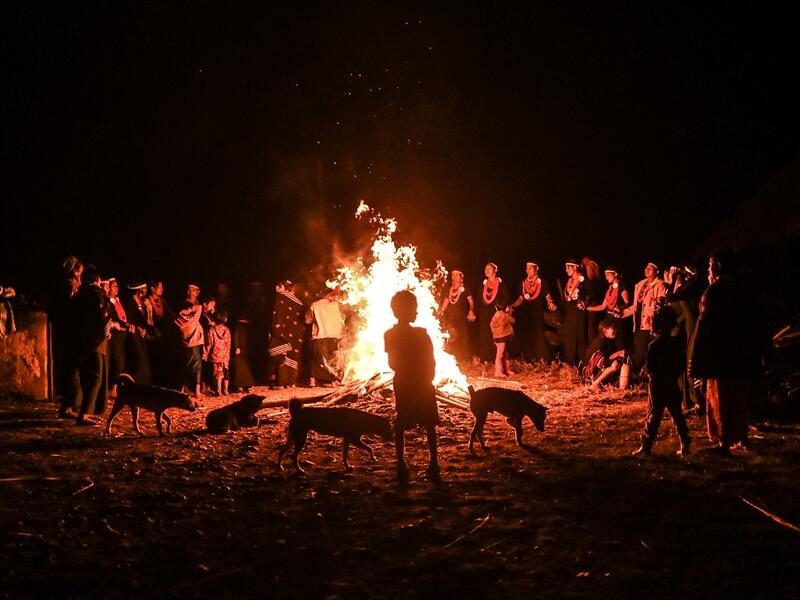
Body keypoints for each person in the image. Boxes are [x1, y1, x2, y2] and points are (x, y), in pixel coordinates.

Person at [689, 251, 763, 454]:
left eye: (710, 266)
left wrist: (697, 360)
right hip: (740, 353)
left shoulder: (714, 292)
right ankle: (741, 437)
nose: (708, 270)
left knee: (720, 397)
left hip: (720, 354)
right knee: (739, 396)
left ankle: (724, 441)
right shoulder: (742, 290)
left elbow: (704, 328)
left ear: (718, 267)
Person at [384, 290, 440, 483]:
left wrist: (406, 370)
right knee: (429, 423)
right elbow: (431, 359)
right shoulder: (421, 334)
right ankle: (433, 464)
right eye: (414, 308)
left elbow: (392, 362)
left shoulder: (389, 335)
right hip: (422, 382)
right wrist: (428, 377)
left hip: (404, 381)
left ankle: (401, 464)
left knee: (402, 422)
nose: (416, 312)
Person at [634, 306, 691, 456]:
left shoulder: (654, 345)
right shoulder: (676, 345)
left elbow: (651, 367)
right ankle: (685, 444)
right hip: (671, 383)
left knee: (654, 415)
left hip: (658, 385)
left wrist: (647, 372)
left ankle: (645, 446)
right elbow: (681, 364)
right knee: (677, 415)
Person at [71, 265, 111, 425]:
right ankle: (85, 413)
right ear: (97, 280)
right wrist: (106, 330)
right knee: (96, 376)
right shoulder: (97, 294)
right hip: (95, 341)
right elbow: (103, 316)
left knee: (86, 376)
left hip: (80, 340)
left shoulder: (78, 294)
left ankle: (85, 411)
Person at [623, 262, 668, 373]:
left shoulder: (660, 285)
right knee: (638, 351)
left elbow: (660, 305)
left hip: (649, 323)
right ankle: (636, 376)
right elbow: (636, 306)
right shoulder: (640, 284)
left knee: (646, 353)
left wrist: (652, 312)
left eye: (650, 269)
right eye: (646, 268)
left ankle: (645, 376)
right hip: (639, 324)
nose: (646, 270)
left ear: (657, 272)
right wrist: (623, 312)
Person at [511, 262, 556, 362]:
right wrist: (512, 305)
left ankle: (545, 360)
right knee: (527, 337)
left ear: (536, 269)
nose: (527, 270)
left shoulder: (542, 282)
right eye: (526, 268)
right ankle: (530, 361)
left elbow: (547, 295)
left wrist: (550, 302)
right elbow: (520, 299)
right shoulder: (523, 283)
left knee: (538, 336)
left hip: (537, 313)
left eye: (530, 268)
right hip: (525, 314)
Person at [267, 280, 306, 388]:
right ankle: (289, 382)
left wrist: (276, 330)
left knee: (277, 352)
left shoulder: (281, 298)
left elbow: (278, 315)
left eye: (279, 286)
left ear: (286, 287)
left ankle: (282, 383)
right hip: (296, 333)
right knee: (289, 355)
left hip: (282, 332)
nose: (276, 287)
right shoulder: (299, 302)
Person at [306, 288, 346, 387]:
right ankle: (331, 380)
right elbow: (344, 319)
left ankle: (315, 380)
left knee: (318, 360)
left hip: (320, 336)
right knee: (333, 360)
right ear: (330, 294)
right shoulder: (338, 305)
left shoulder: (314, 305)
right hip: (335, 336)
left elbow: (308, 320)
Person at [587, 266, 630, 354]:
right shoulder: (610, 288)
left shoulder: (622, 287)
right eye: (605, 275)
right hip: (608, 319)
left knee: (619, 344)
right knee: (605, 342)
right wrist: (587, 308)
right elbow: (603, 306)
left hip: (617, 319)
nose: (606, 277)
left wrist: (621, 308)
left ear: (615, 274)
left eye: (608, 275)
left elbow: (628, 303)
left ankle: (623, 360)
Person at [436, 270, 476, 362]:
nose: (454, 276)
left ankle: (466, 360)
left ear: (461, 277)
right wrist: (439, 312)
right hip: (451, 318)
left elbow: (471, 302)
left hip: (462, 318)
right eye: (453, 275)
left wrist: (471, 311)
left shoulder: (465, 289)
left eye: (456, 275)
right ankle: (455, 360)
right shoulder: (449, 290)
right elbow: (445, 305)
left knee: (464, 338)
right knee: (453, 339)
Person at [174, 283, 205, 397]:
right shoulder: (184, 304)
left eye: (193, 290)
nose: (190, 292)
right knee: (186, 363)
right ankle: (184, 388)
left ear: (197, 292)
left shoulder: (198, 305)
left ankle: (196, 390)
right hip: (186, 336)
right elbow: (179, 319)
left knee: (197, 364)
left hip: (195, 337)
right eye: (189, 290)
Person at [476, 263, 509, 363]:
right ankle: (485, 358)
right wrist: (474, 312)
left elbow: (506, 298)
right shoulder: (483, 284)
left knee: (497, 336)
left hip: (496, 314)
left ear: (495, 270)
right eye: (485, 269)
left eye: (489, 268)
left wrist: (504, 309)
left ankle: (498, 359)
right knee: (484, 334)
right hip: (484, 313)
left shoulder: (501, 284)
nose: (486, 270)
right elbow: (478, 299)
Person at [106, 278, 132, 396]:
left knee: (121, 361)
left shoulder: (117, 300)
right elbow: (113, 318)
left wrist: (127, 324)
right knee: (117, 361)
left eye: (117, 286)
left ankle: (116, 388)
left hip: (122, 335)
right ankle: (112, 389)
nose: (117, 288)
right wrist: (123, 325)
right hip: (115, 335)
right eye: (114, 286)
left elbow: (122, 317)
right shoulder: (108, 302)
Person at [560, 259, 589, 365]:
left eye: (568, 267)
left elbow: (592, 293)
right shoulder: (569, 280)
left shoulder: (583, 280)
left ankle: (583, 364)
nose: (566, 270)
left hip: (578, 312)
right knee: (568, 336)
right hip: (569, 311)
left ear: (575, 267)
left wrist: (585, 302)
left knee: (579, 337)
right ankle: (569, 363)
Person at [582, 319, 626, 388]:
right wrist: (617, 354)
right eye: (613, 329)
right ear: (605, 330)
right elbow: (602, 363)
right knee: (615, 365)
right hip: (591, 374)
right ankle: (594, 384)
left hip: (601, 370)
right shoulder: (600, 343)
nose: (616, 331)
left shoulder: (609, 340)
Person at [125, 281, 153, 385]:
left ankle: (145, 384)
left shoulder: (143, 303)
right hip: (133, 334)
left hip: (141, 335)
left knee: (144, 359)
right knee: (138, 359)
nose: (146, 290)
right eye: (144, 288)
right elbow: (128, 319)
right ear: (139, 289)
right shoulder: (131, 302)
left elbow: (145, 321)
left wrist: (144, 329)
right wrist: (137, 327)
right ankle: (136, 384)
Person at [205, 310, 232, 396]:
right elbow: (228, 344)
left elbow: (209, 344)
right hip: (225, 355)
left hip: (215, 355)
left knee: (218, 373)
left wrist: (205, 354)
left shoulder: (211, 330)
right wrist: (227, 354)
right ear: (225, 319)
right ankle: (226, 390)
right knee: (226, 372)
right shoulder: (227, 330)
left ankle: (219, 391)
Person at [490, 298, 515, 377]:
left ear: (496, 308)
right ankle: (498, 371)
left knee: (503, 354)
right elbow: (513, 320)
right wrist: (509, 312)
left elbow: (492, 325)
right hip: (502, 338)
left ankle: (506, 370)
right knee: (500, 355)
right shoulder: (505, 315)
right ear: (506, 307)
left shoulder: (495, 315)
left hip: (497, 338)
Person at [232, 313, 256, 392]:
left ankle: (246, 385)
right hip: (242, 349)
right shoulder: (240, 325)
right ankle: (240, 385)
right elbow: (236, 336)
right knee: (241, 367)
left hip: (246, 349)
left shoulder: (247, 326)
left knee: (245, 367)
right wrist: (237, 347)